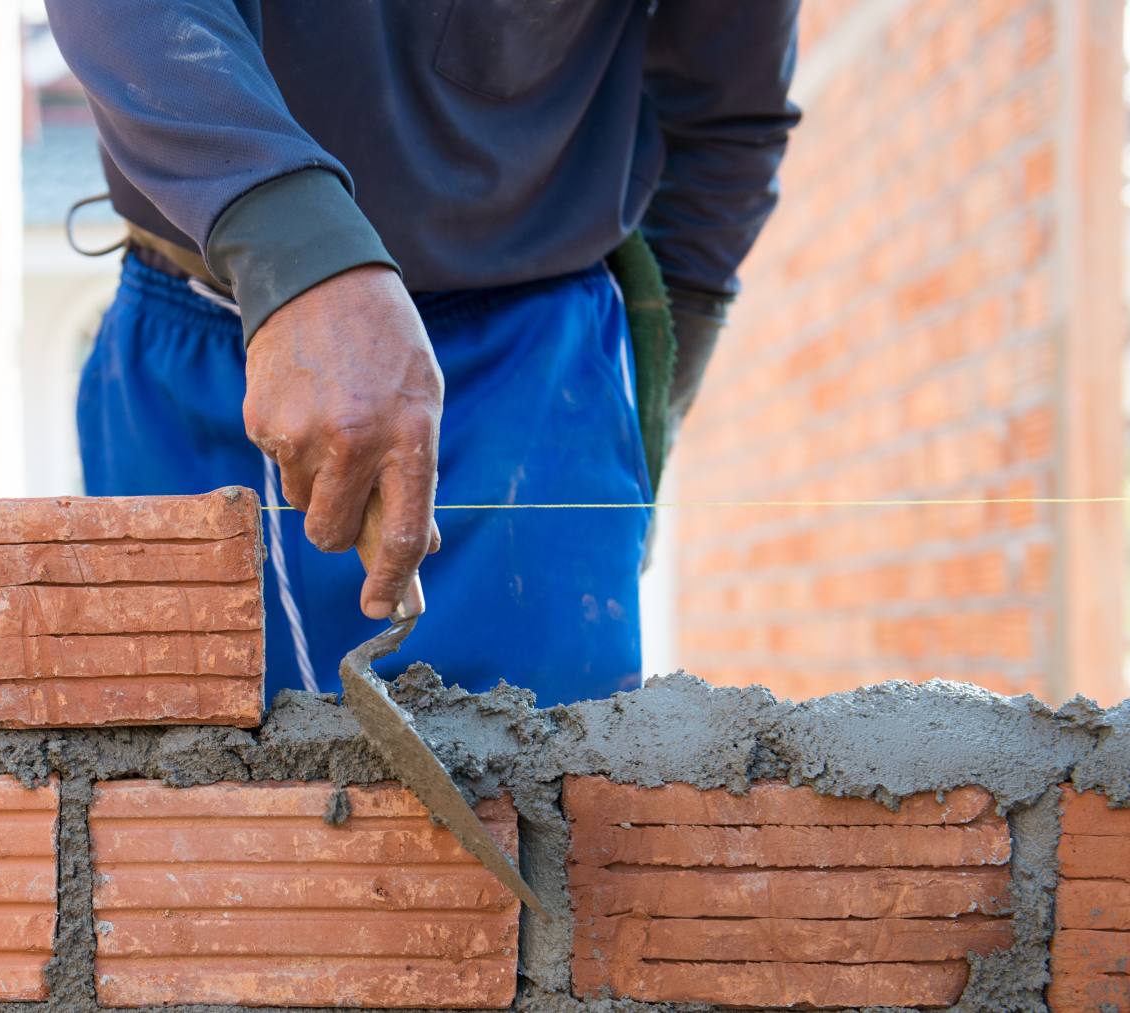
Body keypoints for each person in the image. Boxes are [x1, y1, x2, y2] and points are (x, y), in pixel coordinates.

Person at [45, 1, 799, 704]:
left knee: (542, 789)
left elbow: (725, 111)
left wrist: (648, 396)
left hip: (528, 373)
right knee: (168, 780)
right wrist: (290, 245)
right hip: (195, 346)